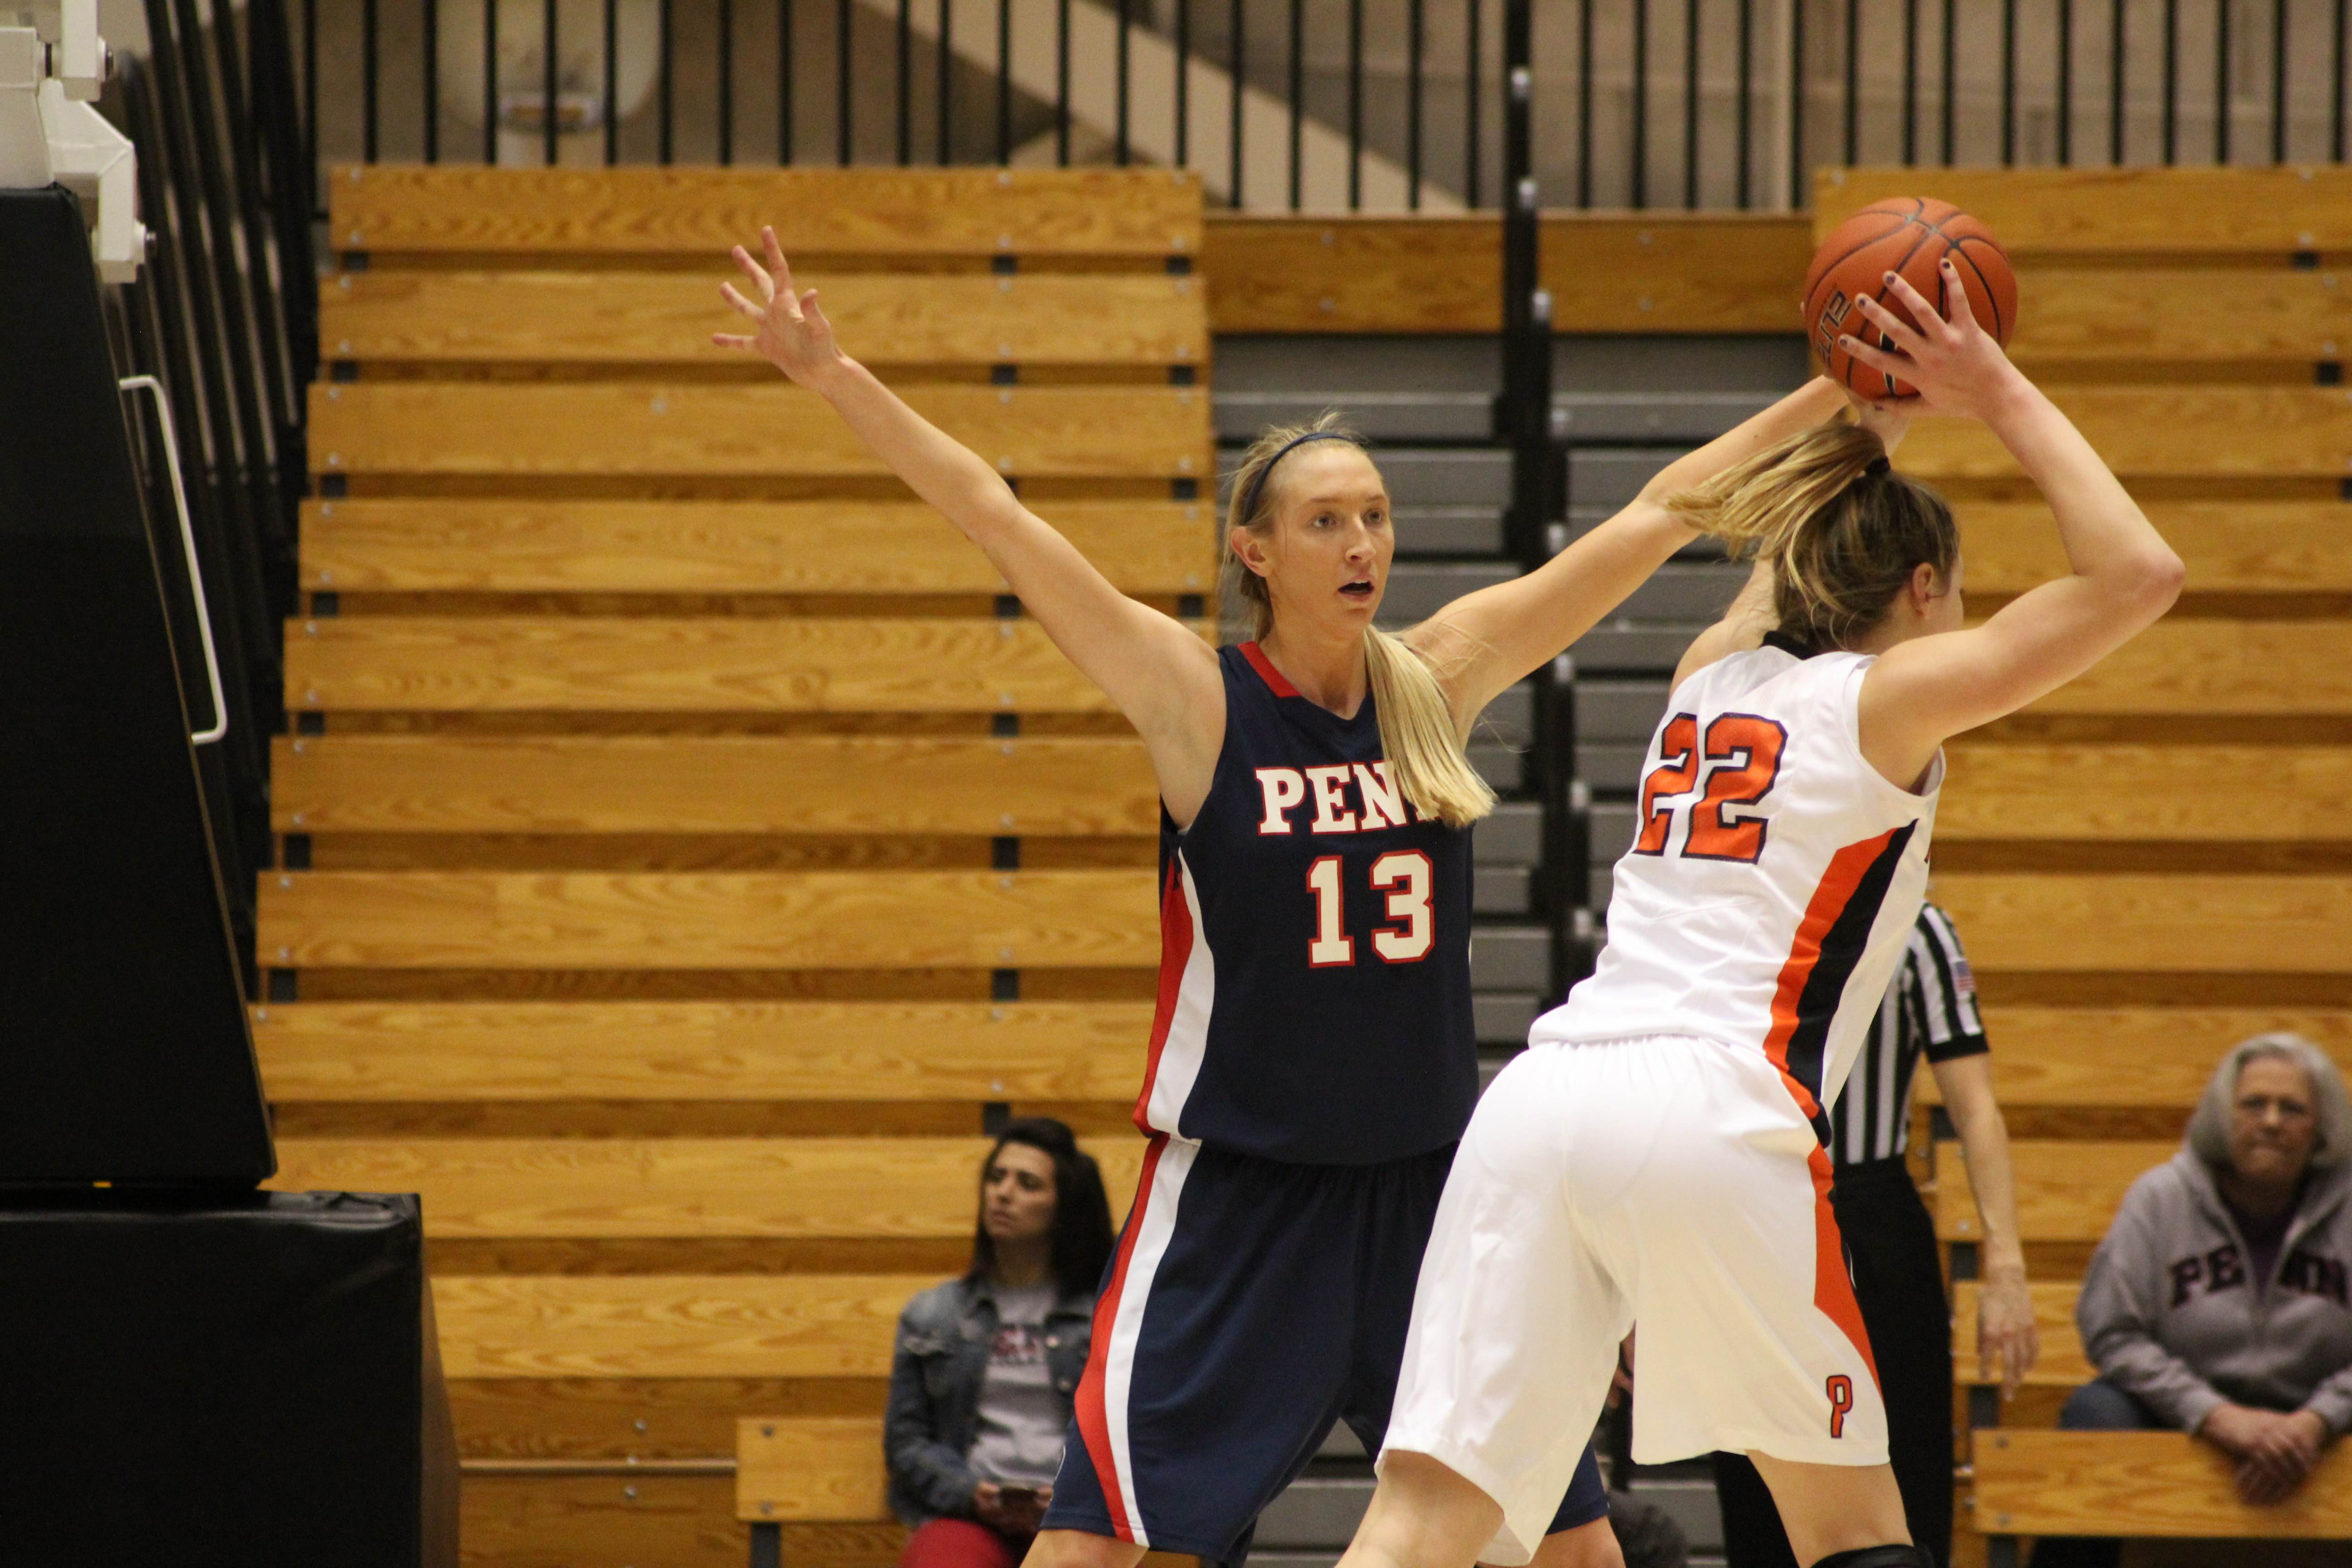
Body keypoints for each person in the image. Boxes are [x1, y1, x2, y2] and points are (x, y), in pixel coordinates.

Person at [715, 225, 1856, 1568]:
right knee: (1098, 1548)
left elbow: (1660, 512)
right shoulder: (1196, 700)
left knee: (1572, 1550)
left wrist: (1843, 394)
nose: (1361, 541)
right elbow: (999, 519)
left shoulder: (1436, 677)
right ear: (1254, 551)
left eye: (1374, 515)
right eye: (1325, 521)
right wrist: (835, 374)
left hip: (1429, 1194)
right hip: (1243, 1205)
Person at [1326, 258, 2183, 1568]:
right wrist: (1989, 384)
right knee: (1854, 1526)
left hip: (1540, 1103)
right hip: (1714, 1109)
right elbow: (2139, 575)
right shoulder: (1888, 701)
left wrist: (1873, 413)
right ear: (1922, 589)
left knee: (1422, 1520)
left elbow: (1785, 566)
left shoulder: (1709, 671)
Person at [1712, 902, 2039, 1568]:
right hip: (1755, 1208)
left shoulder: (1917, 927)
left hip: (1873, 1218)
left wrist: (2006, 1269)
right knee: (1754, 1478)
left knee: (1907, 1465)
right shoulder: (1736, 916)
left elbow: (1976, 1108)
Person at [2030, 1034, 2352, 1568]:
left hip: (2322, 1413)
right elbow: (2111, 1331)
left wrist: (2319, 1419)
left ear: (2321, 1127)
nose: (2272, 1121)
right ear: (2224, 1117)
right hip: (2181, 1410)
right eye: (2254, 1104)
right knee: (2096, 1413)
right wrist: (2213, 1415)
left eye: (2292, 1108)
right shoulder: (2161, 1198)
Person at [888, 1120, 1117, 1568]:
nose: (1003, 1193)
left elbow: (1135, 1439)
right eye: (996, 1178)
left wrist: (1075, 1494)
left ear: (1064, 1208)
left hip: (1077, 1518)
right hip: (970, 1515)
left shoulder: (1109, 1319)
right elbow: (907, 1442)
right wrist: (970, 1493)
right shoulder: (934, 1315)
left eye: (1028, 1184)